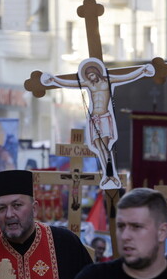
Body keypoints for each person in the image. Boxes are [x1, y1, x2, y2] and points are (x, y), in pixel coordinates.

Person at [41, 58, 154, 189]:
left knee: (105, 145)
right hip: (94, 119)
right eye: (88, 76)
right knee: (99, 146)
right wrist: (55, 80)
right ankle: (108, 175)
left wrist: (142, 71)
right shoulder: (89, 85)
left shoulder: (108, 81)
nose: (91, 78)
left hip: (105, 117)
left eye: (92, 75)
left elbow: (126, 77)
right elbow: (71, 83)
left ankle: (110, 175)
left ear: (97, 73)